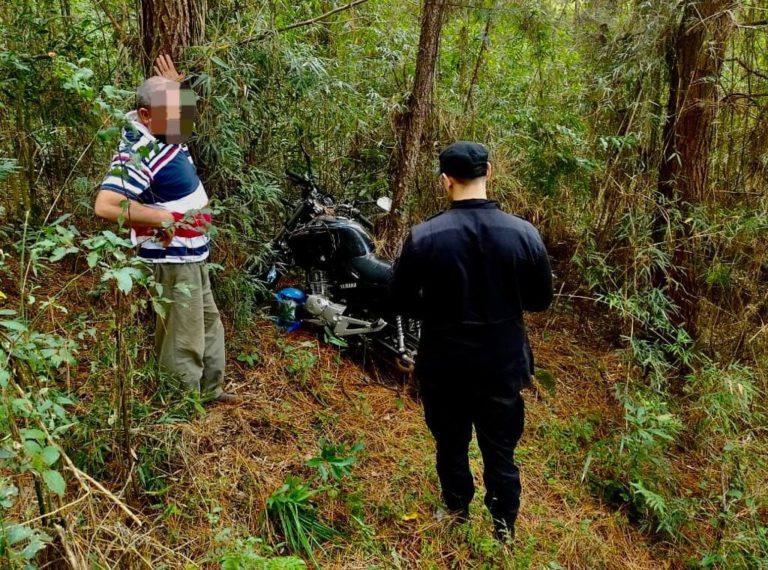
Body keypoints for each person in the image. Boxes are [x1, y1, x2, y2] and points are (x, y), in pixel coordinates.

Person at [390, 141, 553, 541]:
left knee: (450, 443)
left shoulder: (424, 237)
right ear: (490, 173)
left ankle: (456, 510)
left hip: (445, 365)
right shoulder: (523, 234)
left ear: (446, 181)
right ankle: (503, 530)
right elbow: (539, 300)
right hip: (502, 365)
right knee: (501, 450)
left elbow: (400, 301)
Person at [94, 56, 238, 405]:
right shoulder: (138, 150)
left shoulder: (166, 131)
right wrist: (162, 219)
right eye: (174, 111)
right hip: (173, 258)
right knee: (183, 336)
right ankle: (181, 408)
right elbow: (106, 205)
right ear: (146, 115)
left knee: (207, 325)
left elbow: (181, 119)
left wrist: (179, 88)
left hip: (193, 253)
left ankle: (209, 391)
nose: (181, 119)